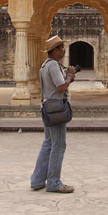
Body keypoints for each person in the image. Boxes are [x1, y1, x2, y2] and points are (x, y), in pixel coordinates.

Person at [30, 35, 76, 193]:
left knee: (48, 143)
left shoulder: (45, 65)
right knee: (58, 145)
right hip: (56, 109)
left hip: (47, 107)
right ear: (55, 50)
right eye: (61, 48)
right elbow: (61, 87)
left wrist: (69, 76)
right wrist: (69, 75)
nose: (64, 50)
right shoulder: (54, 66)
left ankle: (37, 181)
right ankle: (54, 183)